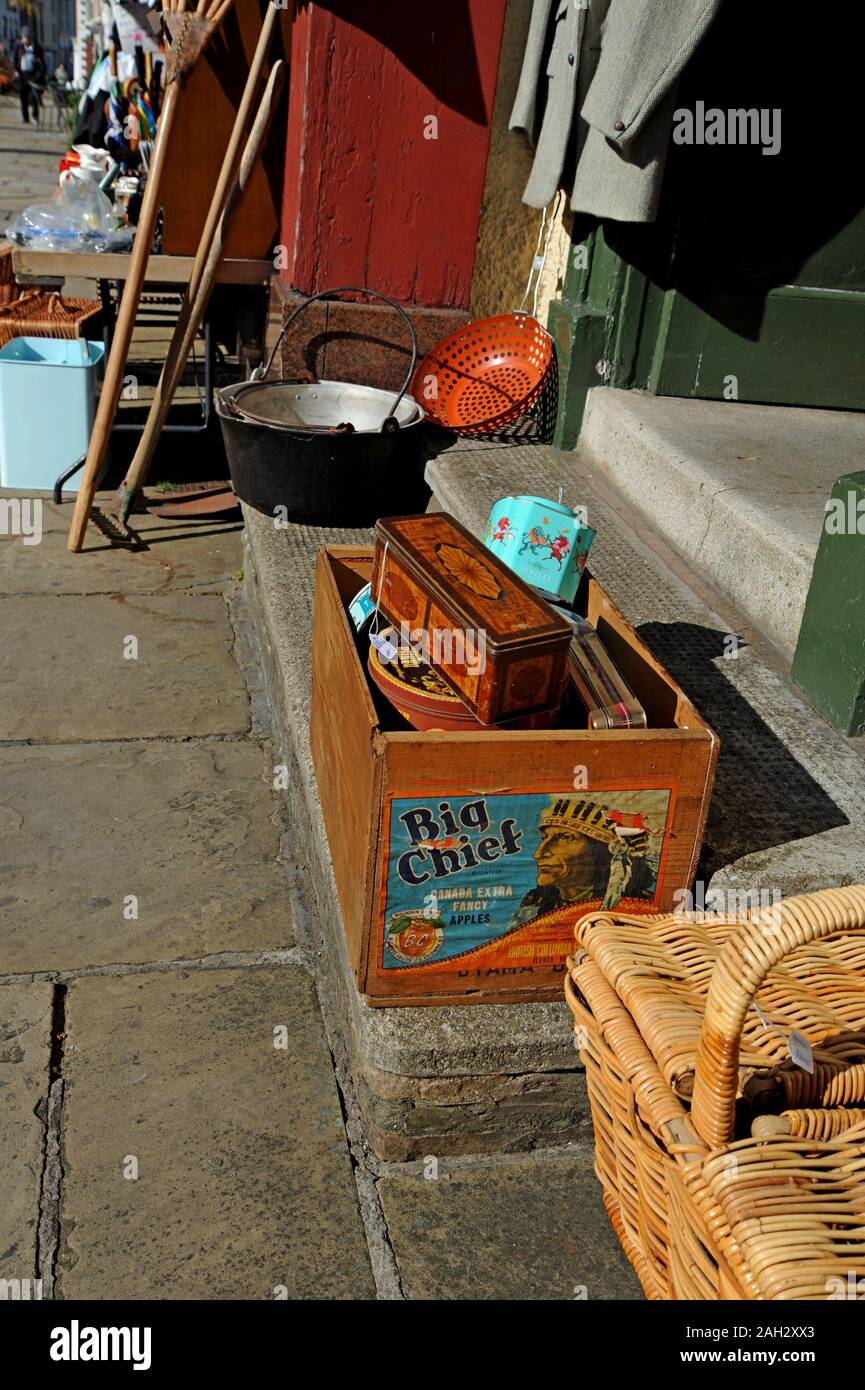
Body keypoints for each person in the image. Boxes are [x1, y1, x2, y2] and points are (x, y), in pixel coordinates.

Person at [15, 27, 46, 125]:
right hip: (22, 75)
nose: (25, 39)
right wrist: (16, 71)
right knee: (23, 97)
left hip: (33, 75)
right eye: (24, 37)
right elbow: (15, 60)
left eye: (27, 37)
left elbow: (42, 64)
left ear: (30, 38)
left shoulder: (37, 48)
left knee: (34, 97)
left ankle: (35, 116)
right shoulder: (19, 48)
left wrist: (39, 75)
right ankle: (25, 118)